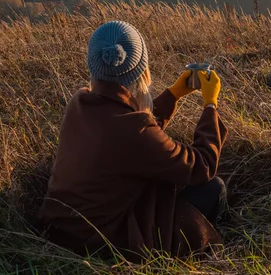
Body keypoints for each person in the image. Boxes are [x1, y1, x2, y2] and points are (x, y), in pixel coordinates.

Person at [39, 20, 228, 261]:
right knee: (213, 188)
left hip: (60, 228)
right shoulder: (133, 129)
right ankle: (212, 246)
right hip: (99, 242)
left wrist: (174, 94)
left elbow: (130, 134)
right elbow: (201, 165)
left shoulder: (80, 103)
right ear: (142, 71)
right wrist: (210, 105)